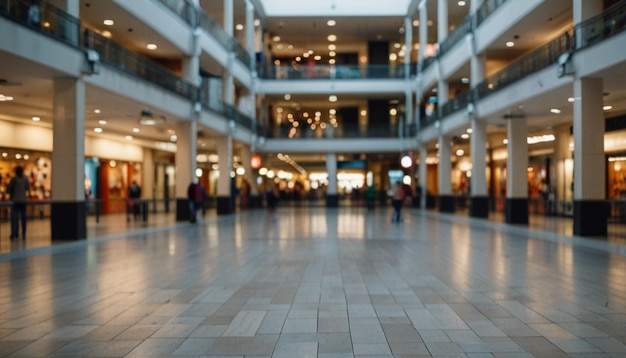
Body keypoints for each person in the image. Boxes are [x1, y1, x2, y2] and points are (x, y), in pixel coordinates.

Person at [7, 166, 29, 240]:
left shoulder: (14, 179)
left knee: (14, 218)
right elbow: (28, 188)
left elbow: (9, 189)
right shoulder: (25, 179)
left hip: (15, 201)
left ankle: (14, 233)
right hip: (23, 200)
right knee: (23, 218)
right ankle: (23, 233)